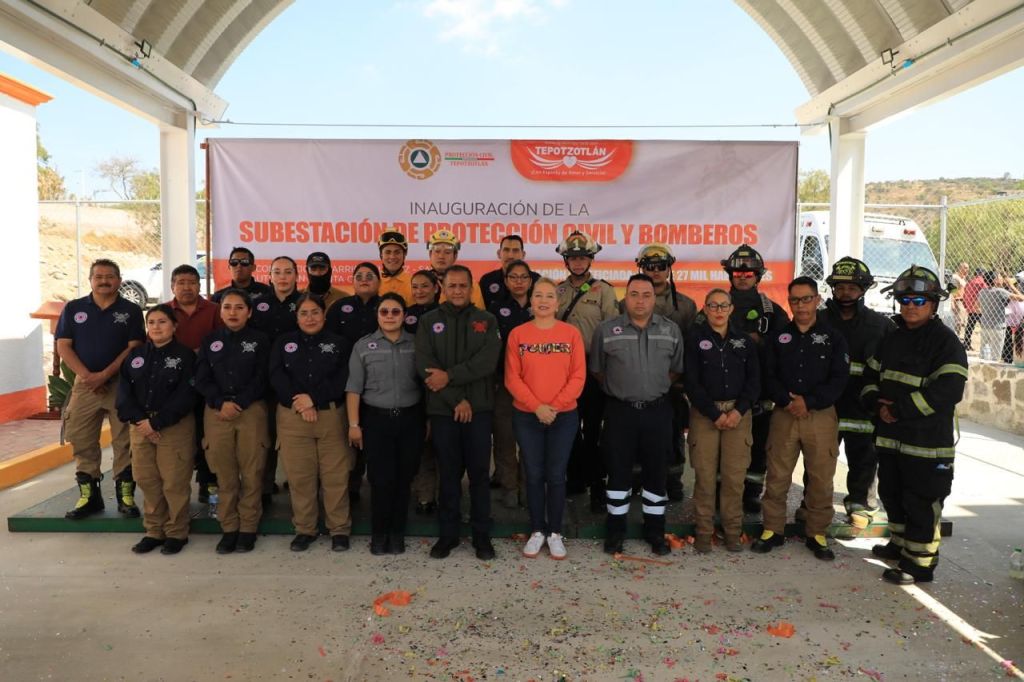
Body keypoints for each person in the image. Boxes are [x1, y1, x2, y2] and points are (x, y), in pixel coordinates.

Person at [862, 265, 968, 584]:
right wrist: (875, 403)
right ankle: (899, 545)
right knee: (892, 494)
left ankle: (919, 564)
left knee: (921, 501)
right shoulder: (892, 338)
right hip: (891, 439)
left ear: (933, 303)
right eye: (905, 300)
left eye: (919, 300)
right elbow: (870, 375)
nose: (910, 306)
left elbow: (949, 390)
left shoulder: (946, 343)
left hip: (926, 444)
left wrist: (899, 410)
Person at [751, 277, 849, 561]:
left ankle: (817, 532)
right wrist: (787, 401)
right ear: (790, 302)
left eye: (807, 299)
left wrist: (809, 401)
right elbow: (768, 375)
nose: (801, 305)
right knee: (777, 475)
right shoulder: (779, 337)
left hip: (820, 416)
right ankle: (772, 529)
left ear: (817, 300)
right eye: (795, 300)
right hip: (785, 414)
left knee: (821, 478)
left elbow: (839, 378)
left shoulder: (833, 338)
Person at [591, 274, 684, 556]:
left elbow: (675, 370)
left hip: (657, 412)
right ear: (625, 298)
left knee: (656, 473)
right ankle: (615, 531)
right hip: (620, 413)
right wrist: (624, 389)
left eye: (646, 295)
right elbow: (598, 370)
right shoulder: (606, 330)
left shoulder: (670, 330)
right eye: (634, 294)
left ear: (654, 298)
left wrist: (650, 388)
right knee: (618, 472)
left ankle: (654, 531)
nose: (640, 300)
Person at [415, 265, 502, 560]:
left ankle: (481, 536)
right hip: (444, 411)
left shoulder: (487, 320)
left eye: (462, 285)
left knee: (479, 474)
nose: (457, 290)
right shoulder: (428, 321)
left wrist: (450, 377)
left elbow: (487, 362)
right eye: (451, 285)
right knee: (449, 475)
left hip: (479, 410)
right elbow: (426, 367)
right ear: (442, 287)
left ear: (471, 287)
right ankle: (448, 535)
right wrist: (456, 400)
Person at [56, 259, 145, 520]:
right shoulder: (73, 308)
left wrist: (105, 375)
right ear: (90, 280)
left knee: (124, 440)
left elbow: (134, 347)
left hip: (120, 384)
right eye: (99, 277)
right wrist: (88, 377)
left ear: (119, 280)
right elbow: (63, 345)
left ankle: (125, 497)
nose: (104, 281)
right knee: (81, 437)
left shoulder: (131, 310)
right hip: (85, 386)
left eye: (110, 276)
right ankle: (90, 497)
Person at [505, 278, 586, 559]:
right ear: (531, 300)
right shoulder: (518, 335)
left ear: (557, 302)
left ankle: (555, 533)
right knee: (534, 473)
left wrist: (554, 406)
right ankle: (537, 530)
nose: (543, 300)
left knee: (556, 474)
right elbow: (512, 377)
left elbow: (578, 376)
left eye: (549, 296)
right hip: (527, 416)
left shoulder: (571, 334)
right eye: (538, 295)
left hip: (563, 417)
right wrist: (537, 407)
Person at [269, 294, 355, 552]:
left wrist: (313, 399)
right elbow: (276, 375)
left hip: (330, 417)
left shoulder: (339, 343)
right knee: (300, 477)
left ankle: (339, 529)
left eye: (315, 312)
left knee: (335, 476)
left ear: (324, 315)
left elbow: (343, 377)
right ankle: (305, 529)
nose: (310, 318)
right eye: (304, 313)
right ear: (296, 317)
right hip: (293, 417)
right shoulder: (284, 342)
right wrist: (301, 403)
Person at [346, 292, 424, 555]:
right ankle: (379, 535)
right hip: (376, 421)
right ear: (377, 315)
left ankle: (397, 534)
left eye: (395, 311)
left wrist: (427, 421)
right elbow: (354, 388)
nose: (390, 316)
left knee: (404, 479)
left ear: (404, 316)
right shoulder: (363, 346)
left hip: (410, 420)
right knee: (380, 480)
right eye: (384, 312)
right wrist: (354, 425)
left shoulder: (417, 344)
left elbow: (425, 386)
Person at [116, 304, 197, 555]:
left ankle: (176, 532)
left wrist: (157, 422)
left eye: (162, 322)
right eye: (151, 322)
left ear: (174, 326)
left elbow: (187, 394)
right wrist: (141, 421)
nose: (156, 327)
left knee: (174, 480)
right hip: (140, 427)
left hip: (173, 426)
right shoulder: (135, 355)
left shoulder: (185, 356)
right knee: (146, 479)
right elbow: (124, 393)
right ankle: (154, 530)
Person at [194, 289, 271, 554]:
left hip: (250, 411)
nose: (233, 312)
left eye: (239, 307)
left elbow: (264, 377)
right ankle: (229, 527)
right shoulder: (210, 341)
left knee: (251, 472)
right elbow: (201, 378)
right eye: (227, 307)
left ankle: (248, 528)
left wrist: (240, 402)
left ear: (249, 312)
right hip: (217, 413)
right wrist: (220, 402)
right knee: (224, 474)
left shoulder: (261, 340)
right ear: (220, 312)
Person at [683, 288, 759, 553]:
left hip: (738, 414)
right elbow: (691, 382)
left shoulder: (744, 341)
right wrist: (714, 414)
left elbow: (754, 381)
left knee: (734, 478)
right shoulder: (694, 339)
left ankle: (732, 532)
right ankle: (704, 533)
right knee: (704, 477)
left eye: (723, 305)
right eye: (713, 306)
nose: (718, 310)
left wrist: (738, 411)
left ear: (731, 309)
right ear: (705, 309)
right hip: (706, 415)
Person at [822, 257, 895, 527]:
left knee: (864, 457)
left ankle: (860, 504)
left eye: (852, 288)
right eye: (840, 287)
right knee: (819, 460)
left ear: (863, 289)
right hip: (826, 405)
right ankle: (813, 503)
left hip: (862, 405)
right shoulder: (819, 321)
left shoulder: (880, 326)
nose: (845, 293)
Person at [719, 244, 790, 514]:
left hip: (760, 397)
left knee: (758, 448)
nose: (743, 277)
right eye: (737, 272)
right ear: (730, 274)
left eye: (749, 273)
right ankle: (721, 493)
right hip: (724, 395)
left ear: (758, 276)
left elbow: (785, 352)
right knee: (721, 450)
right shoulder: (716, 307)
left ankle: (751, 493)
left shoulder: (773, 313)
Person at [555, 230, 619, 511]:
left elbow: (612, 332)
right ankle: (575, 478)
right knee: (569, 428)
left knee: (594, 430)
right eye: (573, 258)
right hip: (564, 371)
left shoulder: (604, 290)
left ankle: (597, 485)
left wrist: (604, 370)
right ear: (566, 261)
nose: (578, 262)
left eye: (583, 257)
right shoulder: (557, 291)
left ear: (591, 259)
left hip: (594, 369)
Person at [632, 243, 697, 502]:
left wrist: (681, 382)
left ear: (669, 268)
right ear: (642, 268)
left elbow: (692, 348)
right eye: (650, 266)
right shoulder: (626, 303)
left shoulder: (686, 306)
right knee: (637, 433)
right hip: (637, 384)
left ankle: (673, 480)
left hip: (673, 384)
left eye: (661, 266)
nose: (656, 271)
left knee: (673, 434)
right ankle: (637, 479)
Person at [165, 264, 222, 505]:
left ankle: (208, 482)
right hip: (174, 386)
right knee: (180, 436)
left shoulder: (215, 310)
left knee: (206, 434)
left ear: (199, 286)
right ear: (172, 286)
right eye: (181, 283)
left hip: (208, 383)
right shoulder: (164, 312)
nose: (186, 287)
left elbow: (223, 344)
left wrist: (199, 356)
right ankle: (176, 489)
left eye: (191, 282)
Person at [326, 261, 381, 504]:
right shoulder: (340, 307)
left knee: (377, 439)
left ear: (379, 281)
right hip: (346, 383)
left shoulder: (387, 306)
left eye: (370, 276)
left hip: (380, 384)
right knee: (349, 438)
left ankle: (380, 488)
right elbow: (328, 343)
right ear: (353, 281)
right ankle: (351, 487)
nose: (364, 279)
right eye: (359, 276)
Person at [249, 256, 302, 506]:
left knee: (297, 439)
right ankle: (265, 486)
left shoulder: (305, 303)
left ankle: (298, 484)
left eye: (288, 272)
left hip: (297, 382)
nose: (282, 277)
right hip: (264, 381)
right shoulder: (257, 305)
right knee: (266, 436)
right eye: (277, 272)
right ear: (269, 276)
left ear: (296, 276)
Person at [487, 259, 534, 509]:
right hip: (504, 383)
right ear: (506, 281)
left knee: (530, 439)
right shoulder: (495, 309)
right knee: (504, 437)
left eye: (523, 277)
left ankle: (528, 487)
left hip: (534, 385)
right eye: (513, 277)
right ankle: (509, 487)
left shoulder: (540, 306)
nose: (518, 282)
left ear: (530, 280)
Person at [405, 270, 442, 515]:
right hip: (410, 385)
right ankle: (422, 495)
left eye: (425, 286)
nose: (419, 291)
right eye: (415, 286)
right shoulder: (404, 313)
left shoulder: (445, 313)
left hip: (439, 385)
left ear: (436, 288)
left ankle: (440, 495)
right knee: (419, 444)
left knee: (439, 444)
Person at [426, 229, 486, 309]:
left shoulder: (470, 284)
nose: (441, 256)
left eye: (447, 252)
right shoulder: (420, 282)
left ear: (455, 256)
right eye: (437, 251)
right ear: (430, 254)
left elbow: (478, 314)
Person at [479, 235, 540, 308]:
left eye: (515, 250)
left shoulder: (536, 280)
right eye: (506, 250)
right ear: (499, 254)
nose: (510, 256)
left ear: (523, 254)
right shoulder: (487, 281)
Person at [977, 270, 1024, 361]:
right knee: (995, 356)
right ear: (995, 280)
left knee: (984, 353)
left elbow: (977, 307)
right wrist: (1011, 286)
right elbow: (1022, 298)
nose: (1002, 278)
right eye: (999, 277)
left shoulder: (982, 291)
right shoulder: (1000, 291)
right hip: (997, 327)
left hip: (985, 325)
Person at [377, 230, 413, 305]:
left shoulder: (414, 283)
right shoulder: (373, 283)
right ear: (381, 255)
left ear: (405, 254)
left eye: (397, 252)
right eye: (388, 252)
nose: (392, 257)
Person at [961, 267, 985, 350]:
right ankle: (986, 345)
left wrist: (966, 305)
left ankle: (966, 344)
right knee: (986, 327)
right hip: (980, 308)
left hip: (971, 308)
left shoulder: (969, 283)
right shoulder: (982, 282)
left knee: (969, 327)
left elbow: (965, 295)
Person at [951, 262, 969, 338]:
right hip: (957, 300)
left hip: (963, 301)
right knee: (958, 320)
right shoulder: (955, 277)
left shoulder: (963, 278)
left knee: (961, 321)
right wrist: (952, 302)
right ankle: (955, 335)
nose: (967, 270)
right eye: (965, 268)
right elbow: (952, 291)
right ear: (960, 268)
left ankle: (957, 335)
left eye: (967, 268)